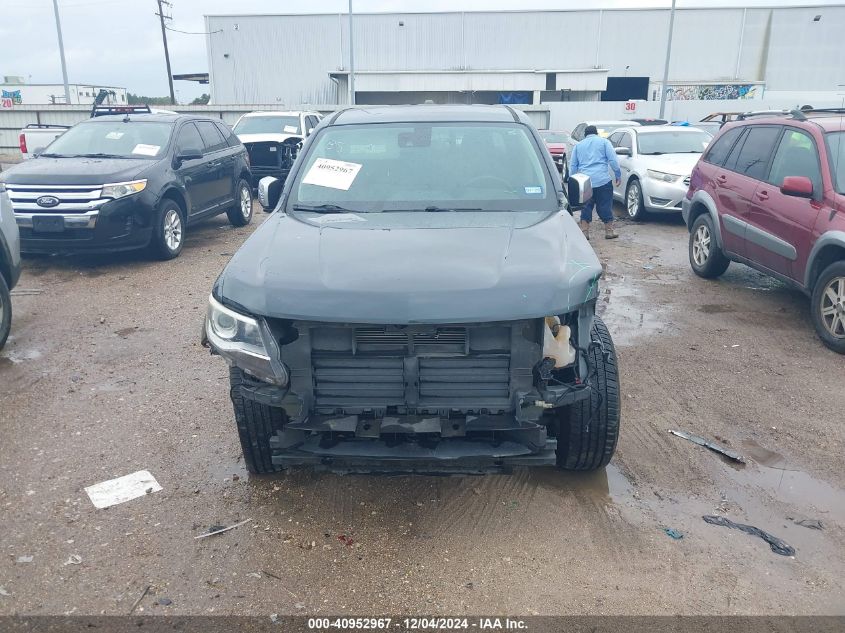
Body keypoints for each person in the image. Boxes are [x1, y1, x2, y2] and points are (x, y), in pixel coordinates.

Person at [569, 125, 622, 240]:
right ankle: (609, 231)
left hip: (584, 182)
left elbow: (573, 165)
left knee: (586, 206)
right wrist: (618, 175)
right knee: (605, 205)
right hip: (603, 180)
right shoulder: (604, 143)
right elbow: (613, 160)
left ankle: (585, 232)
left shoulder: (578, 146)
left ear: (585, 135)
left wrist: (572, 181)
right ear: (596, 133)